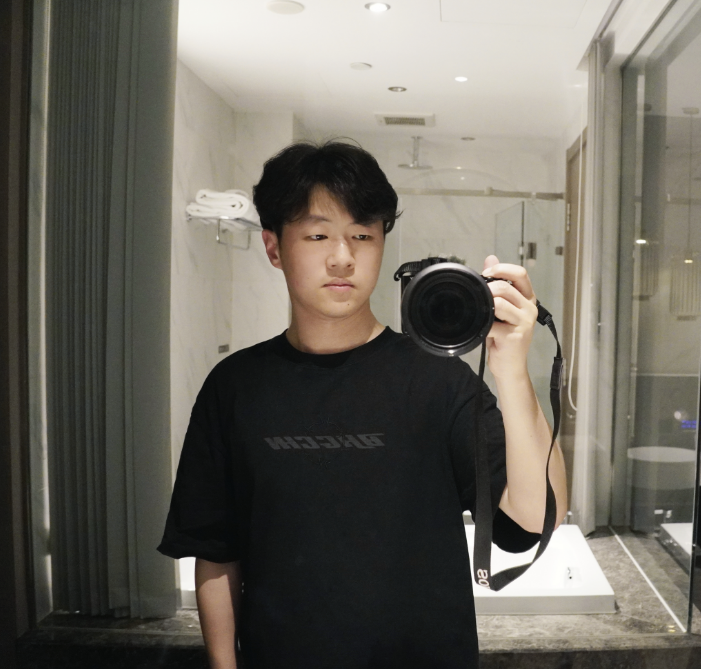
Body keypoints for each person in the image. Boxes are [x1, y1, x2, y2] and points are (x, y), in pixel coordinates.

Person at [157, 140, 568, 669]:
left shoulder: (439, 382)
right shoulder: (234, 386)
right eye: (317, 235)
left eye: (362, 235)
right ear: (274, 247)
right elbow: (216, 552)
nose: (342, 257)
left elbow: (534, 518)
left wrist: (512, 369)